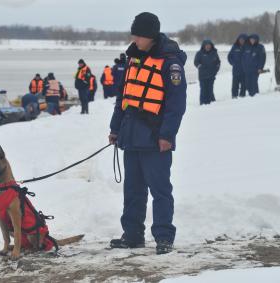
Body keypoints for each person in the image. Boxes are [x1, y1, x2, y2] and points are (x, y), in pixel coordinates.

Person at [108, 12, 187, 255]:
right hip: (130, 136)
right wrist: (115, 128)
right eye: (134, 33)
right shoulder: (133, 58)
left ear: (150, 36)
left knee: (160, 190)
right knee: (132, 190)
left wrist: (167, 135)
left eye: (138, 34)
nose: (134, 38)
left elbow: (177, 104)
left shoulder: (170, 62)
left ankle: (164, 237)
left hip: (155, 139)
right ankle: (132, 235)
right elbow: (123, 96)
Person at [194, 39, 220, 105]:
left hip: (211, 75)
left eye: (209, 45)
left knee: (210, 89)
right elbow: (196, 62)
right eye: (207, 45)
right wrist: (200, 66)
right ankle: (202, 103)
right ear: (204, 46)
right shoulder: (199, 53)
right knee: (203, 90)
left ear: (211, 46)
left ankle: (210, 102)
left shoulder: (214, 53)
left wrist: (216, 70)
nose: (208, 46)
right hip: (202, 76)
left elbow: (218, 62)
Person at [228, 34, 247, 98]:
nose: (241, 41)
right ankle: (234, 95)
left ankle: (242, 95)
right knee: (235, 84)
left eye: (243, 40)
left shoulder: (248, 47)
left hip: (244, 69)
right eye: (240, 40)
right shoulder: (234, 46)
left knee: (244, 84)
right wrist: (232, 63)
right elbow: (229, 56)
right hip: (236, 69)